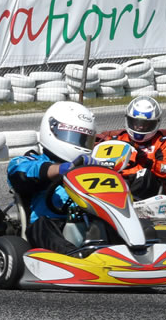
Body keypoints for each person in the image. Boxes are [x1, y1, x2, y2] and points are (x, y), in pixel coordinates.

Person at [7, 101, 99, 254]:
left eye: (84, 140)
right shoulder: (30, 161)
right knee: (43, 225)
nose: (80, 144)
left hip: (86, 225)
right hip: (48, 228)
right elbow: (20, 173)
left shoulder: (88, 166)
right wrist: (61, 169)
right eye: (74, 137)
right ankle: (73, 257)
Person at [113, 95, 166, 199]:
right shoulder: (118, 139)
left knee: (144, 174)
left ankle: (129, 199)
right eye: (136, 122)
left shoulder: (163, 143)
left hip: (147, 185)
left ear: (155, 123)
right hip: (118, 180)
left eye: (145, 124)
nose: (140, 127)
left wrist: (148, 162)